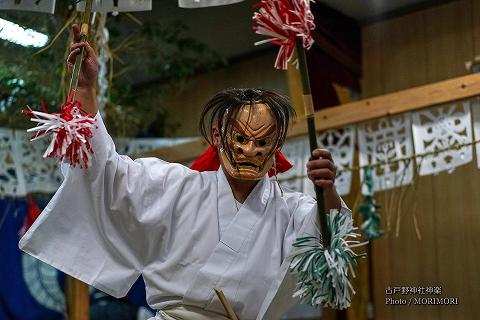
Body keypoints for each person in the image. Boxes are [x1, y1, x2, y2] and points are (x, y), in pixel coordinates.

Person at [19, 25, 351, 320]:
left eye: (262, 141)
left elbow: (329, 247)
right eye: (240, 138)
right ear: (219, 137)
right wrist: (86, 91)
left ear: (276, 145)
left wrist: (327, 190)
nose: (250, 150)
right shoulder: (174, 186)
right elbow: (107, 172)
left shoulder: (291, 210)